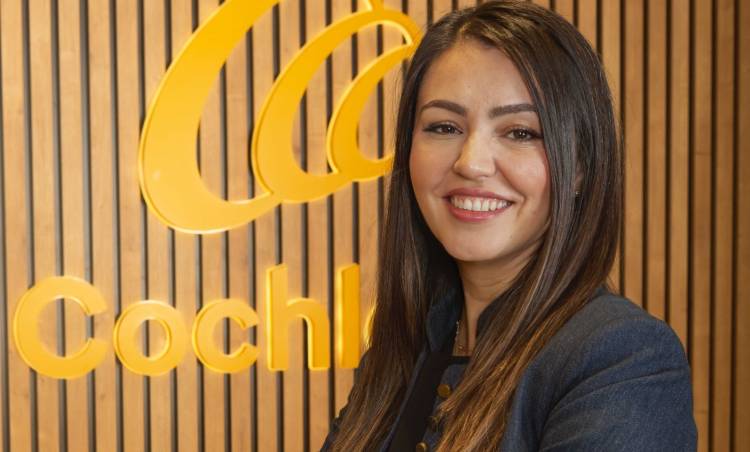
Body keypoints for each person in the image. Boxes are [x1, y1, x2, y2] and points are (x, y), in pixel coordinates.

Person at [322, 1, 697, 451]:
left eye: (520, 132)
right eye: (444, 127)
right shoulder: (402, 352)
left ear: (579, 167)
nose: (471, 163)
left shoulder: (620, 357)